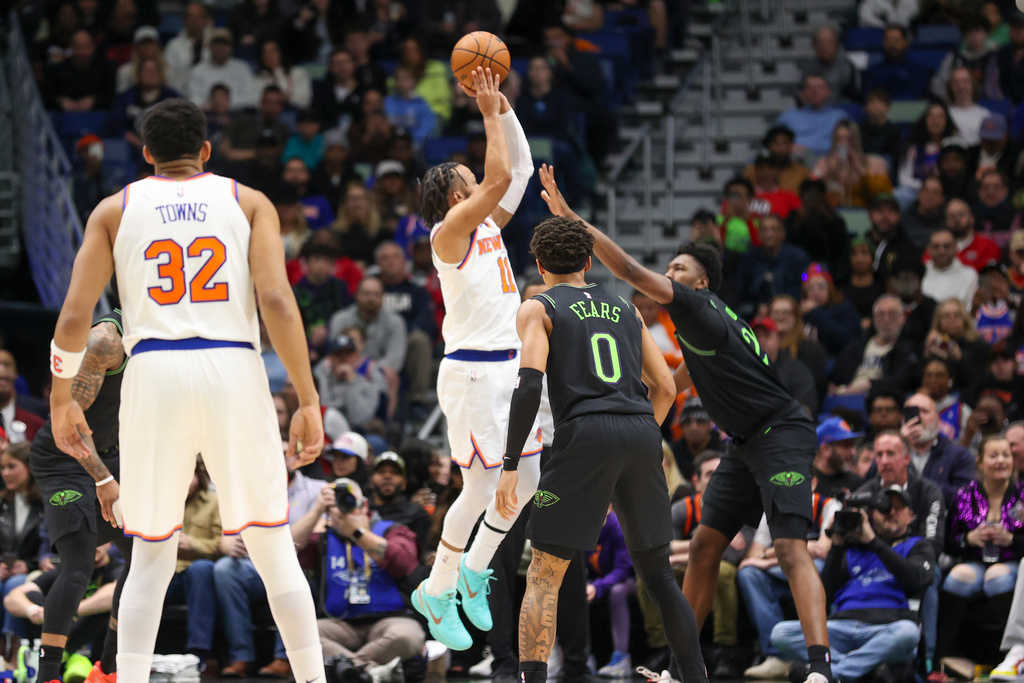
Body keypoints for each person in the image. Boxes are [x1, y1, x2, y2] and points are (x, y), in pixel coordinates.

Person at [47, 98, 326, 683]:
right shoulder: (248, 201)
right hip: (233, 366)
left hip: (155, 372)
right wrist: (306, 397)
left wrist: (60, 399)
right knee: (273, 547)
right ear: (206, 150)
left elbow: (75, 316)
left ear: (145, 154)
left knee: (151, 552)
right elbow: (276, 301)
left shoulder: (113, 209)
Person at [536, 165, 835, 683]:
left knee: (789, 547)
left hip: (782, 432)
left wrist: (572, 224)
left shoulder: (698, 306)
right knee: (701, 547)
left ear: (699, 282)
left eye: (677, 269)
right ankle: (681, 671)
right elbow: (669, 385)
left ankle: (819, 670)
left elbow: (628, 270)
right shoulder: (698, 333)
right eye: (669, 269)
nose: (668, 276)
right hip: (744, 444)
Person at [493, 215, 708, 683]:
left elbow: (529, 386)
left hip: (585, 434)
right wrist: (634, 439)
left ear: (539, 264)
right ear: (589, 262)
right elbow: (667, 388)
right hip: (639, 431)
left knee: (544, 575)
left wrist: (510, 464)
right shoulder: (628, 310)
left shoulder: (538, 306)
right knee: (660, 577)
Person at [411, 68, 540, 650]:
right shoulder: (449, 233)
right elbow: (500, 174)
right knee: (481, 487)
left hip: (510, 367)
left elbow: (522, 169)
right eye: (470, 177)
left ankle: (472, 569)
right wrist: (485, 111)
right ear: (457, 194)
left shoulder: (487, 221)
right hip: (473, 370)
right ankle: (436, 588)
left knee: (529, 478)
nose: (480, 177)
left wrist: (504, 109)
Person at [28, 304, 134, 683]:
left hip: (109, 453)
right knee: (78, 564)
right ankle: (49, 675)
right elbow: (69, 424)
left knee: (149, 557)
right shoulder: (105, 342)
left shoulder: (161, 341)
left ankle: (108, 667)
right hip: (62, 455)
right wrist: (105, 481)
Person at [770, 484, 935, 682]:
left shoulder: (917, 545)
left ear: (910, 515)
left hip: (886, 628)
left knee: (908, 633)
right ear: (873, 515)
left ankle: (832, 674)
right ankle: (861, 671)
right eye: (884, 509)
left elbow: (914, 579)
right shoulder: (853, 548)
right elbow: (824, 595)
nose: (890, 512)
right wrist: (837, 544)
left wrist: (873, 541)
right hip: (841, 626)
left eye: (898, 508)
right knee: (781, 633)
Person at [318, 478, 424, 683]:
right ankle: (372, 673)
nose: (343, 507)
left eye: (349, 500)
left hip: (388, 620)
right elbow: (284, 555)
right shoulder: (323, 536)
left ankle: (349, 669)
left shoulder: (391, 530)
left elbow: (404, 563)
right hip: (340, 623)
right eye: (336, 503)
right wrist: (316, 512)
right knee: (300, 636)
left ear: (364, 504)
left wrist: (358, 533)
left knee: (407, 637)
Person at [936, 435, 1024, 670]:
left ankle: (1010, 654)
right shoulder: (964, 495)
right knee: (957, 578)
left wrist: (1011, 540)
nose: (1000, 461)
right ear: (980, 462)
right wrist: (969, 539)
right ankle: (943, 656)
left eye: (1006, 455)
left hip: (1015, 562)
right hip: (975, 560)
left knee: (996, 577)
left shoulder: (1022, 494)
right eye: (993, 456)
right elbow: (948, 542)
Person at [830, 293, 919, 396]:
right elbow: (835, 377)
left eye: (892, 314)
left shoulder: (909, 350)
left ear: (903, 319)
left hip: (882, 399)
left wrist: (871, 385)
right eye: (881, 314)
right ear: (874, 319)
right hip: (848, 396)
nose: (886, 319)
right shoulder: (855, 347)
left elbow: (903, 381)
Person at [900, 392, 977, 504]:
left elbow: (967, 496)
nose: (918, 418)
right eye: (912, 412)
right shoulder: (889, 452)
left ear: (938, 418)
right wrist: (900, 445)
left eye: (925, 411)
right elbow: (875, 482)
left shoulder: (958, 455)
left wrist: (918, 487)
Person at [776, 75, 847, 156]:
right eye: (810, 88)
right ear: (802, 93)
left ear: (828, 91)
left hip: (830, 160)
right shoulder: (788, 117)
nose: (815, 91)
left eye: (820, 87)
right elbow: (777, 142)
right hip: (797, 161)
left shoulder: (840, 117)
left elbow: (845, 144)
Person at [922, 229, 979, 308]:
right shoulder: (921, 274)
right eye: (936, 247)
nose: (941, 251)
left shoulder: (969, 275)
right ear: (928, 249)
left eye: (947, 246)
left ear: (955, 247)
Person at [813, 418, 865, 499]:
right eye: (846, 446)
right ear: (826, 449)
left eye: (853, 445)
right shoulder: (805, 481)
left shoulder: (857, 484)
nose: (853, 452)